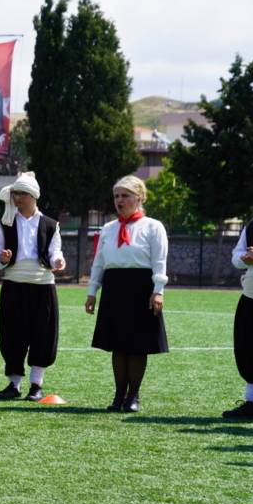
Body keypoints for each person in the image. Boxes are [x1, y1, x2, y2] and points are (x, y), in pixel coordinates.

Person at [85, 176, 168, 413]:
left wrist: (158, 291)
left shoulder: (153, 226)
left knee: (137, 345)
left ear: (139, 197)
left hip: (141, 288)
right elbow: (99, 263)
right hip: (114, 288)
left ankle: (133, 396)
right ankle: (118, 395)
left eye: (125, 195)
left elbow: (159, 262)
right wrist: (92, 291)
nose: (119, 200)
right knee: (118, 345)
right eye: (116, 196)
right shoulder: (109, 229)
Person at [0, 172, 66, 401]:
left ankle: (36, 385)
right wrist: (1, 259)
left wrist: (57, 261)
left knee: (43, 336)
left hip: (43, 285)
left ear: (33, 196)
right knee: (12, 335)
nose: (17, 197)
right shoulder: (4, 224)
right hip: (13, 284)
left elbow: (54, 252)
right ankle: (13, 385)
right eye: (15, 193)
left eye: (21, 193)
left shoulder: (51, 225)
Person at [223, 218, 253, 420]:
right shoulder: (252, 225)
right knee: (248, 349)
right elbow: (236, 256)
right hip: (251, 295)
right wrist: (245, 258)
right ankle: (252, 402)